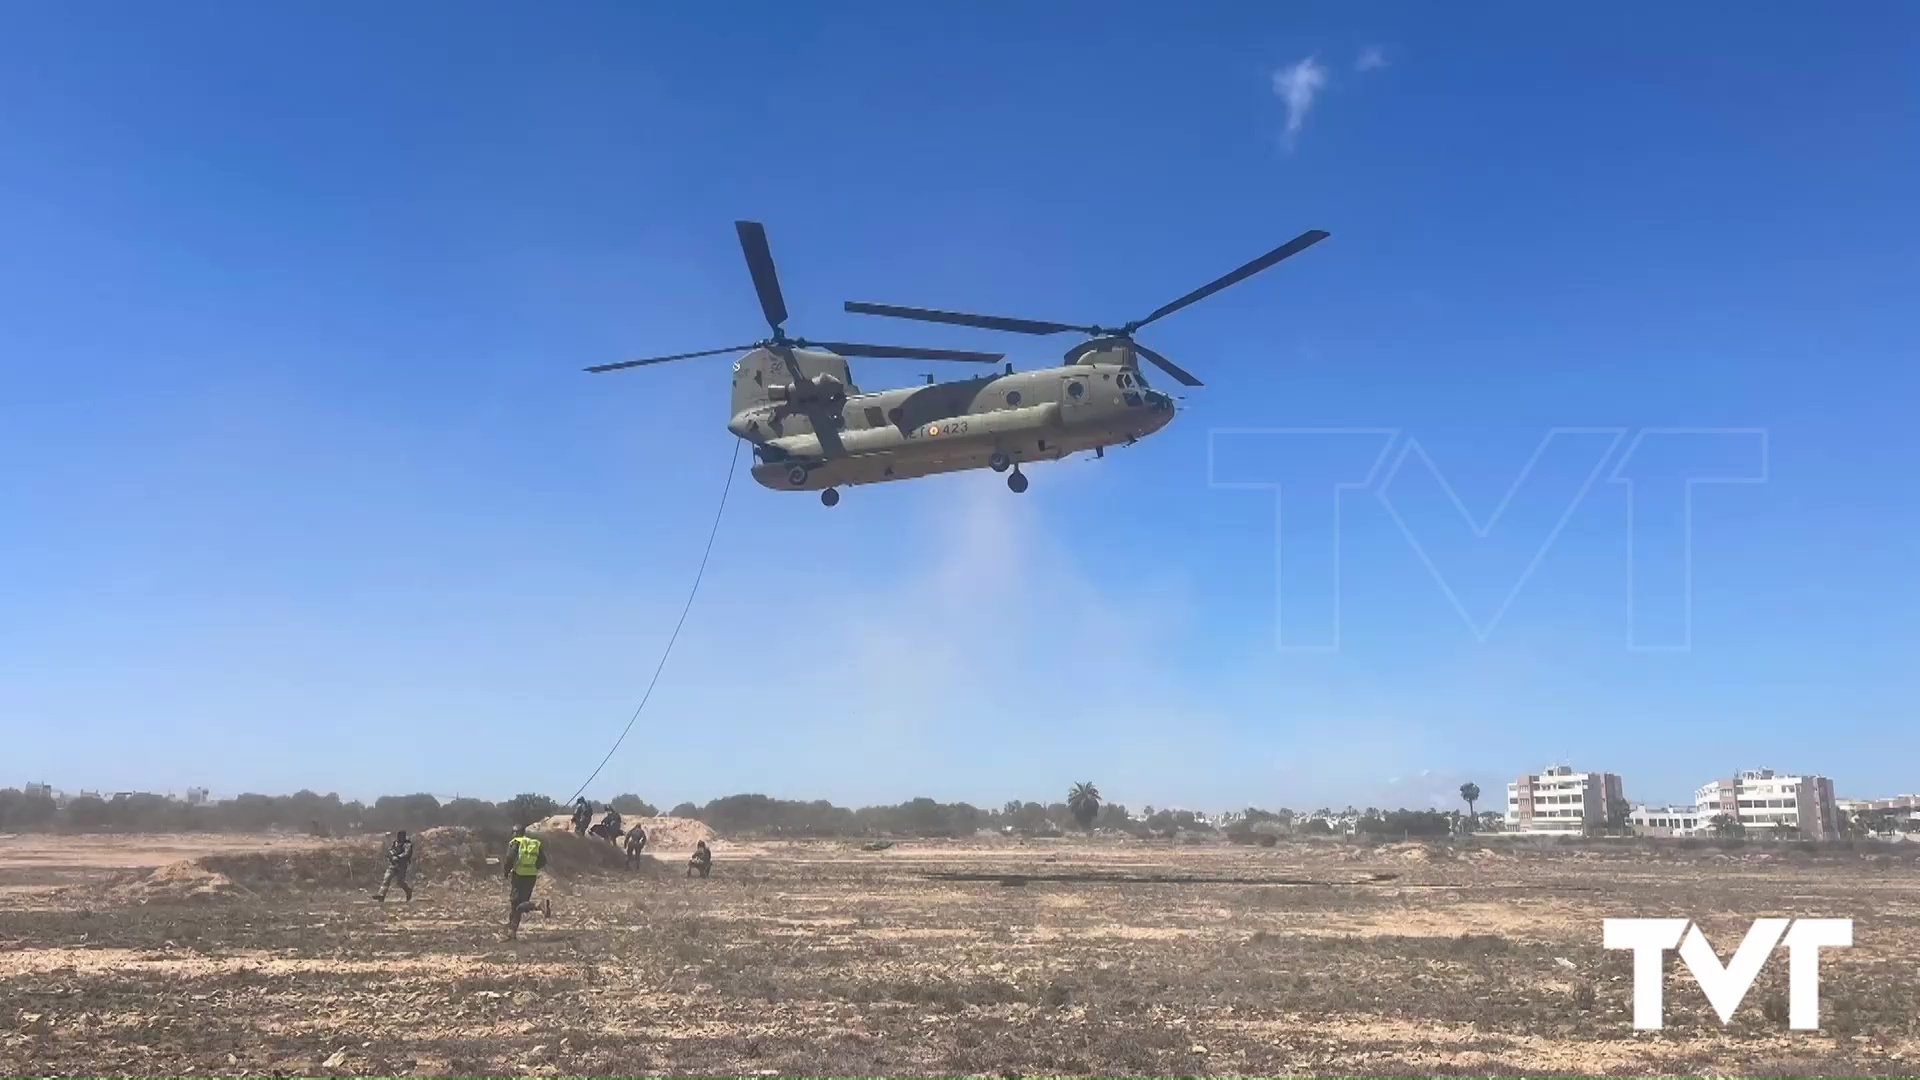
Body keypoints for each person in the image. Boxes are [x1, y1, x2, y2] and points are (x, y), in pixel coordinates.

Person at [504, 825, 550, 938]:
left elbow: (509, 858)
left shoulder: (516, 842)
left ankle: (538, 906)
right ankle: (512, 931)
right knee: (521, 902)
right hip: (531, 876)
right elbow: (543, 861)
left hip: (518, 875)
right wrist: (532, 867)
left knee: (515, 903)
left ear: (515, 832)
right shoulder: (533, 843)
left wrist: (506, 870)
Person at [373, 830, 414, 902]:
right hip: (393, 864)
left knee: (400, 882)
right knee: (386, 878)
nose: (399, 837)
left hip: (402, 865)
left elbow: (406, 853)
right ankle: (381, 895)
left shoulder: (407, 844)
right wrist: (391, 856)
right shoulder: (395, 843)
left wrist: (398, 857)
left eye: (401, 836)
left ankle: (408, 891)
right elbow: (391, 850)